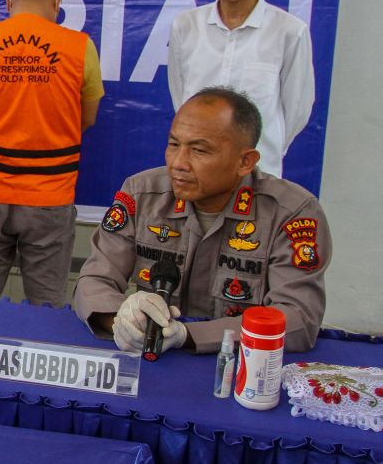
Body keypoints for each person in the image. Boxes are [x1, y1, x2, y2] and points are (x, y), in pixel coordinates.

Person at [74, 87, 330, 354]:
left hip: (239, 366)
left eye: (199, 150)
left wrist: (189, 335)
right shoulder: (141, 193)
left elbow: (298, 317)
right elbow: (93, 280)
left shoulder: (291, 212)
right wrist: (124, 321)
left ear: (245, 161)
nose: (178, 163)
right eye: (174, 145)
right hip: (150, 357)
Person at [0, 0, 104, 307]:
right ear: (58, 0)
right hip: (50, 196)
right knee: (46, 306)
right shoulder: (80, 47)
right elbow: (88, 118)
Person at [168, 0, 315, 178]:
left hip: (259, 172)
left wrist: (265, 151)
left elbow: (296, 110)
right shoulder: (187, 25)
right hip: (195, 172)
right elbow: (181, 97)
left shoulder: (289, 31)